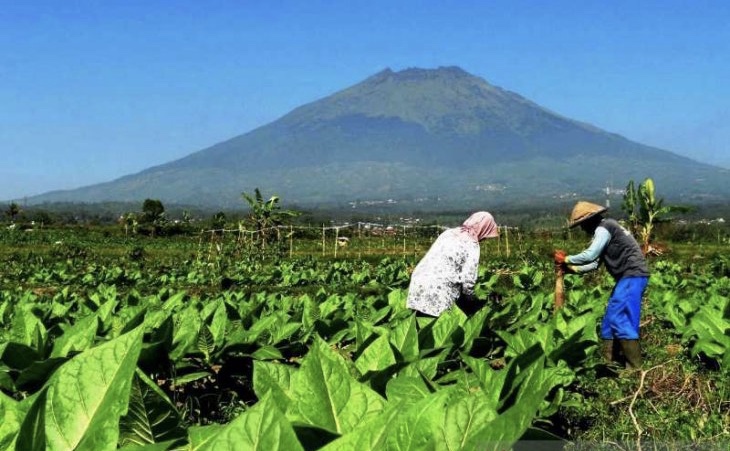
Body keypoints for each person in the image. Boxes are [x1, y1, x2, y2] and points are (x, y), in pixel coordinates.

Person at [554, 201, 649, 370]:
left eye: (582, 225)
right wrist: (572, 269)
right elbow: (594, 264)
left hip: (632, 275)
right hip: (626, 278)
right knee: (609, 321)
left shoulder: (604, 228)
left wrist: (566, 259)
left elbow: (590, 255)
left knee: (621, 319)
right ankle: (609, 364)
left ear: (590, 220)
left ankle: (634, 369)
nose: (582, 229)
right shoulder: (604, 232)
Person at [406, 211, 499, 317]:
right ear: (483, 229)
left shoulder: (449, 233)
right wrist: (471, 301)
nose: (485, 238)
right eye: (486, 235)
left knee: (419, 323)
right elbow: (468, 279)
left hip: (419, 280)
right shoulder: (472, 244)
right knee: (439, 325)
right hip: (439, 288)